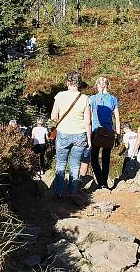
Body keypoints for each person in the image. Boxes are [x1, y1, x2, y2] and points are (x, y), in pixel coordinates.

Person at [50, 71, 91, 202]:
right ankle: (72, 193)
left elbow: (53, 117)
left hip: (63, 133)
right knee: (75, 165)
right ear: (79, 83)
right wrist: (89, 140)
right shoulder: (85, 99)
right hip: (80, 134)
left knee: (61, 163)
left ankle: (58, 192)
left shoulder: (60, 96)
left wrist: (60, 121)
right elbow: (88, 122)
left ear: (67, 82)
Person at [89, 76, 120, 190]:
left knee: (94, 158)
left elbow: (89, 117)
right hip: (109, 132)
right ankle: (105, 183)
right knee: (106, 158)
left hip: (96, 131)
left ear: (97, 85)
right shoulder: (113, 99)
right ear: (108, 85)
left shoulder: (92, 99)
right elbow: (117, 119)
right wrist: (118, 135)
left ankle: (100, 182)